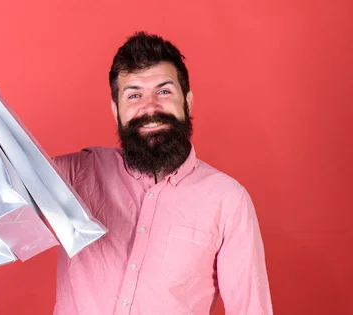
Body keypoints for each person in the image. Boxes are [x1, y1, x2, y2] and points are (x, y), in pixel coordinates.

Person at [49, 31, 273, 314]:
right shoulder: (74, 174)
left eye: (164, 91)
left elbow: (249, 309)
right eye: (134, 95)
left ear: (188, 102)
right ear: (116, 110)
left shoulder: (228, 200)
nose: (150, 107)